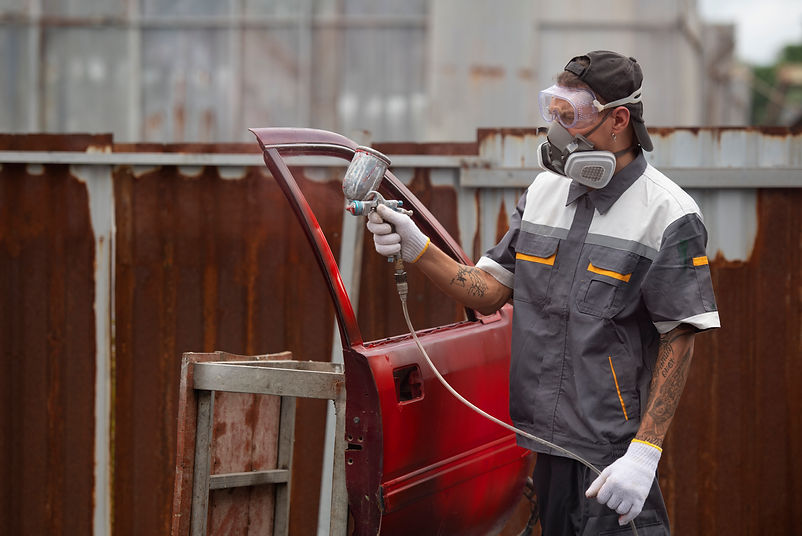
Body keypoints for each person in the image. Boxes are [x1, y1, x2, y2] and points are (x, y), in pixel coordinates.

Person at [366, 50, 720, 535]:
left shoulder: (667, 213)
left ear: (619, 119)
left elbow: (679, 338)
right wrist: (416, 247)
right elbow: (488, 293)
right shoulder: (543, 194)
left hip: (611, 456)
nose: (558, 132)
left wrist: (645, 452)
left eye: (571, 115)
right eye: (553, 112)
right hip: (545, 443)